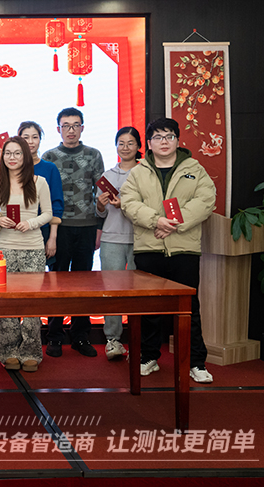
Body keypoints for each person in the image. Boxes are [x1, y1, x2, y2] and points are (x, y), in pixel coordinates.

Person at [120, 118, 215, 383]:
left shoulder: (194, 169)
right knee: (149, 309)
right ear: (149, 144)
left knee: (188, 309)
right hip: (149, 248)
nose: (164, 141)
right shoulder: (138, 172)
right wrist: (156, 221)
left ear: (177, 140)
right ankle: (148, 357)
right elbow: (129, 202)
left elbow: (206, 200)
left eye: (169, 136)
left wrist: (173, 224)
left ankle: (196, 363)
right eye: (158, 137)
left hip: (184, 250)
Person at [41, 108, 104, 358]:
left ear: (82, 128)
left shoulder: (93, 155)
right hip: (59, 228)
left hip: (86, 227)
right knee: (56, 283)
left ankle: (80, 336)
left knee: (83, 284)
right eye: (65, 125)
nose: (70, 130)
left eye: (75, 125)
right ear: (58, 129)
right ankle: (54, 336)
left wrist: (99, 227)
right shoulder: (49, 157)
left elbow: (101, 193)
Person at [0, 137, 52, 372]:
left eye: (17, 153)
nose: (12, 158)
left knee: (32, 302)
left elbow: (48, 213)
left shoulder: (39, 182)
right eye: (7, 153)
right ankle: (8, 351)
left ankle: (31, 351)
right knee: (6, 303)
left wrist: (31, 223)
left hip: (33, 248)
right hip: (5, 249)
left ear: (25, 156)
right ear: (2, 157)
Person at [96, 127, 141, 360]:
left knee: (138, 293)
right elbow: (101, 214)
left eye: (130, 143)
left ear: (138, 146)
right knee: (111, 291)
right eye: (121, 143)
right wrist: (101, 205)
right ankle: (113, 340)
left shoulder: (145, 173)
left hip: (139, 239)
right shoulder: (107, 176)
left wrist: (124, 204)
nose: (125, 147)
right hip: (111, 238)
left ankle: (138, 341)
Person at [18, 121, 64, 270]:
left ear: (40, 139)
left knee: (40, 278)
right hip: (15, 230)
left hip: (41, 230)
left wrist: (52, 238)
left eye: (35, 137)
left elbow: (56, 204)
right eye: (26, 137)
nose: (30, 142)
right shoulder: (9, 167)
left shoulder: (49, 168)